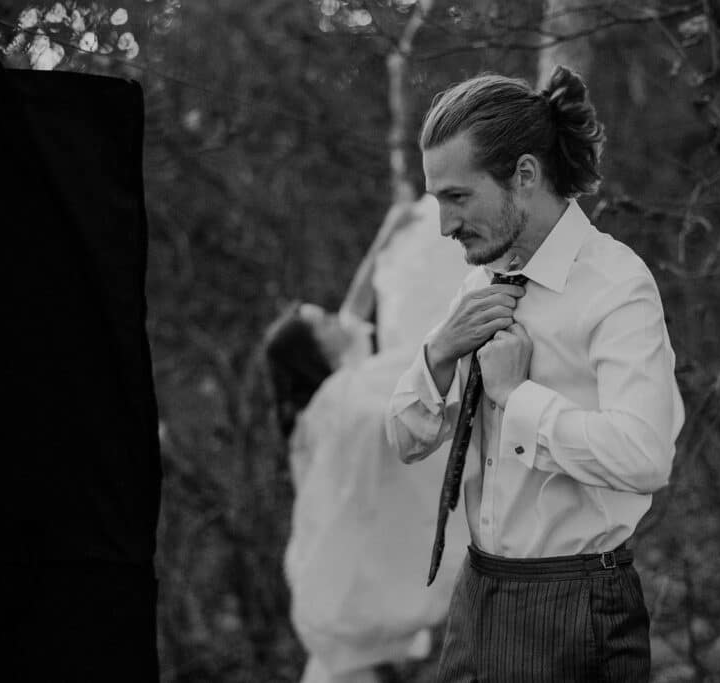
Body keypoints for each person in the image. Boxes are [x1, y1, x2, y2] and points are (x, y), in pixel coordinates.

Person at [385, 65, 685, 681]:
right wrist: (440, 351)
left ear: (524, 175)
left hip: (576, 609)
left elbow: (646, 456)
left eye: (457, 197)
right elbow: (408, 439)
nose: (444, 225)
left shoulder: (615, 285)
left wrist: (516, 398)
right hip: (477, 595)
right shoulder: (479, 283)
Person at [268, 195, 471, 683]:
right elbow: (390, 421)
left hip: (341, 596)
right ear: (314, 351)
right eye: (323, 324)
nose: (339, 323)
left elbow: (354, 307)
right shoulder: (334, 408)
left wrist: (387, 233)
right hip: (344, 579)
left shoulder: (344, 380)